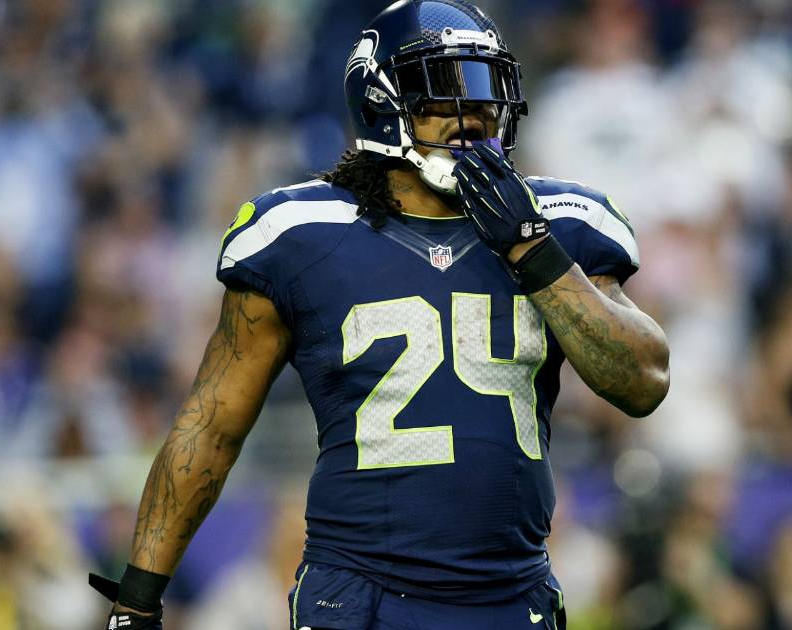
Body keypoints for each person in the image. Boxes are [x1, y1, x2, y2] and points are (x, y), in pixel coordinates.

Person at [90, 1, 670, 628]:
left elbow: (643, 382)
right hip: (358, 596)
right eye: (443, 91)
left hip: (511, 592)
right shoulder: (301, 232)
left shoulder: (561, 224)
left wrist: (533, 251)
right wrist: (136, 599)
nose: (473, 114)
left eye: (484, 92)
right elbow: (211, 427)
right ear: (382, 103)